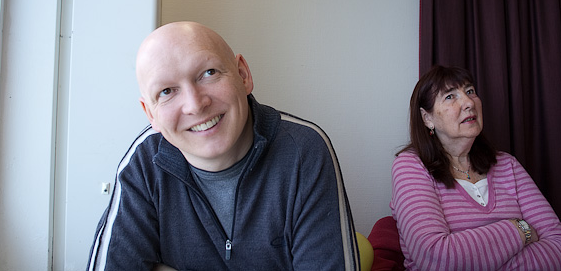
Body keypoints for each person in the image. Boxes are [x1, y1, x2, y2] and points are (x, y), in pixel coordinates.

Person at [87, 21, 359, 270]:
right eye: (167, 92)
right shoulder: (144, 161)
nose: (195, 105)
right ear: (150, 114)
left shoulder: (303, 150)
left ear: (243, 75)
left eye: (208, 73)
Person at [390, 65, 561, 270]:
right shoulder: (410, 166)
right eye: (450, 97)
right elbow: (436, 258)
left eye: (470, 91)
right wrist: (519, 229)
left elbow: (556, 243)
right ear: (427, 119)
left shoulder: (507, 164)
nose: (469, 102)